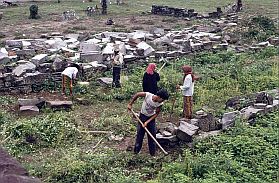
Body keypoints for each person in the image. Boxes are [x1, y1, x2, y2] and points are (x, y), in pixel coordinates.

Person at [127, 89, 169, 156]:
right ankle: (136, 153)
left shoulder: (160, 103)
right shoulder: (148, 95)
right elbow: (137, 94)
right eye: (163, 99)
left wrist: (147, 122)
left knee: (152, 136)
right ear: (159, 97)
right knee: (140, 136)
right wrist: (130, 104)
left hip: (151, 119)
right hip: (142, 117)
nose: (163, 101)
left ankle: (152, 155)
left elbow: (156, 114)